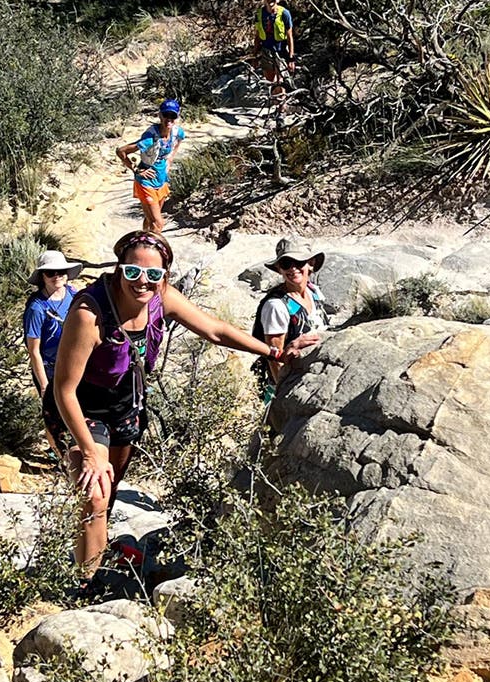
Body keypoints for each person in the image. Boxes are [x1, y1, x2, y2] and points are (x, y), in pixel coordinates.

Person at [53, 230, 319, 589]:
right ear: (119, 269)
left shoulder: (162, 297)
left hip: (126, 405)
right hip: (82, 407)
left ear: (165, 276)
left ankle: (96, 563)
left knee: (109, 493)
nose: (142, 282)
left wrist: (273, 352)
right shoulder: (91, 312)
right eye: (132, 272)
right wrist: (88, 451)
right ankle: (83, 585)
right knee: (95, 491)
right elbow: (63, 389)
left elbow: (216, 331)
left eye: (154, 274)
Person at [251, 237, 329, 403]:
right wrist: (284, 397)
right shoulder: (276, 306)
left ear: (311, 263)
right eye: (286, 263)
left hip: (310, 377)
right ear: (279, 268)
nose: (293, 268)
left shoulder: (313, 292)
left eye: (299, 262)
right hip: (285, 388)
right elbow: (274, 358)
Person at [23, 250, 84, 448]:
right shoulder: (36, 308)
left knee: (79, 408)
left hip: (75, 364)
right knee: (54, 414)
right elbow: (34, 350)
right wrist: (43, 384)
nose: (57, 276)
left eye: (61, 271)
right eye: (51, 273)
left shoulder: (74, 295)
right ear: (43, 277)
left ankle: (76, 448)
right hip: (50, 368)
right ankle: (57, 453)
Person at [116, 100, 186, 235]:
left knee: (150, 220)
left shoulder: (177, 132)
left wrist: (169, 160)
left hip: (161, 180)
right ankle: (153, 252)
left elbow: (178, 143)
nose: (169, 119)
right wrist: (136, 169)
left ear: (177, 116)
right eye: (166, 115)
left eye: (173, 116)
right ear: (160, 115)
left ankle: (141, 243)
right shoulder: (150, 137)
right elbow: (121, 151)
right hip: (146, 182)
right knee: (158, 223)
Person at [253, 0, 295, 103]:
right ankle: (276, 105)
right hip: (266, 51)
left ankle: (281, 111)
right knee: (271, 82)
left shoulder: (284, 14)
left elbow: (290, 37)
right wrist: (254, 56)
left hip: (280, 51)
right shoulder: (259, 14)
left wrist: (291, 58)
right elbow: (257, 36)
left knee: (280, 82)